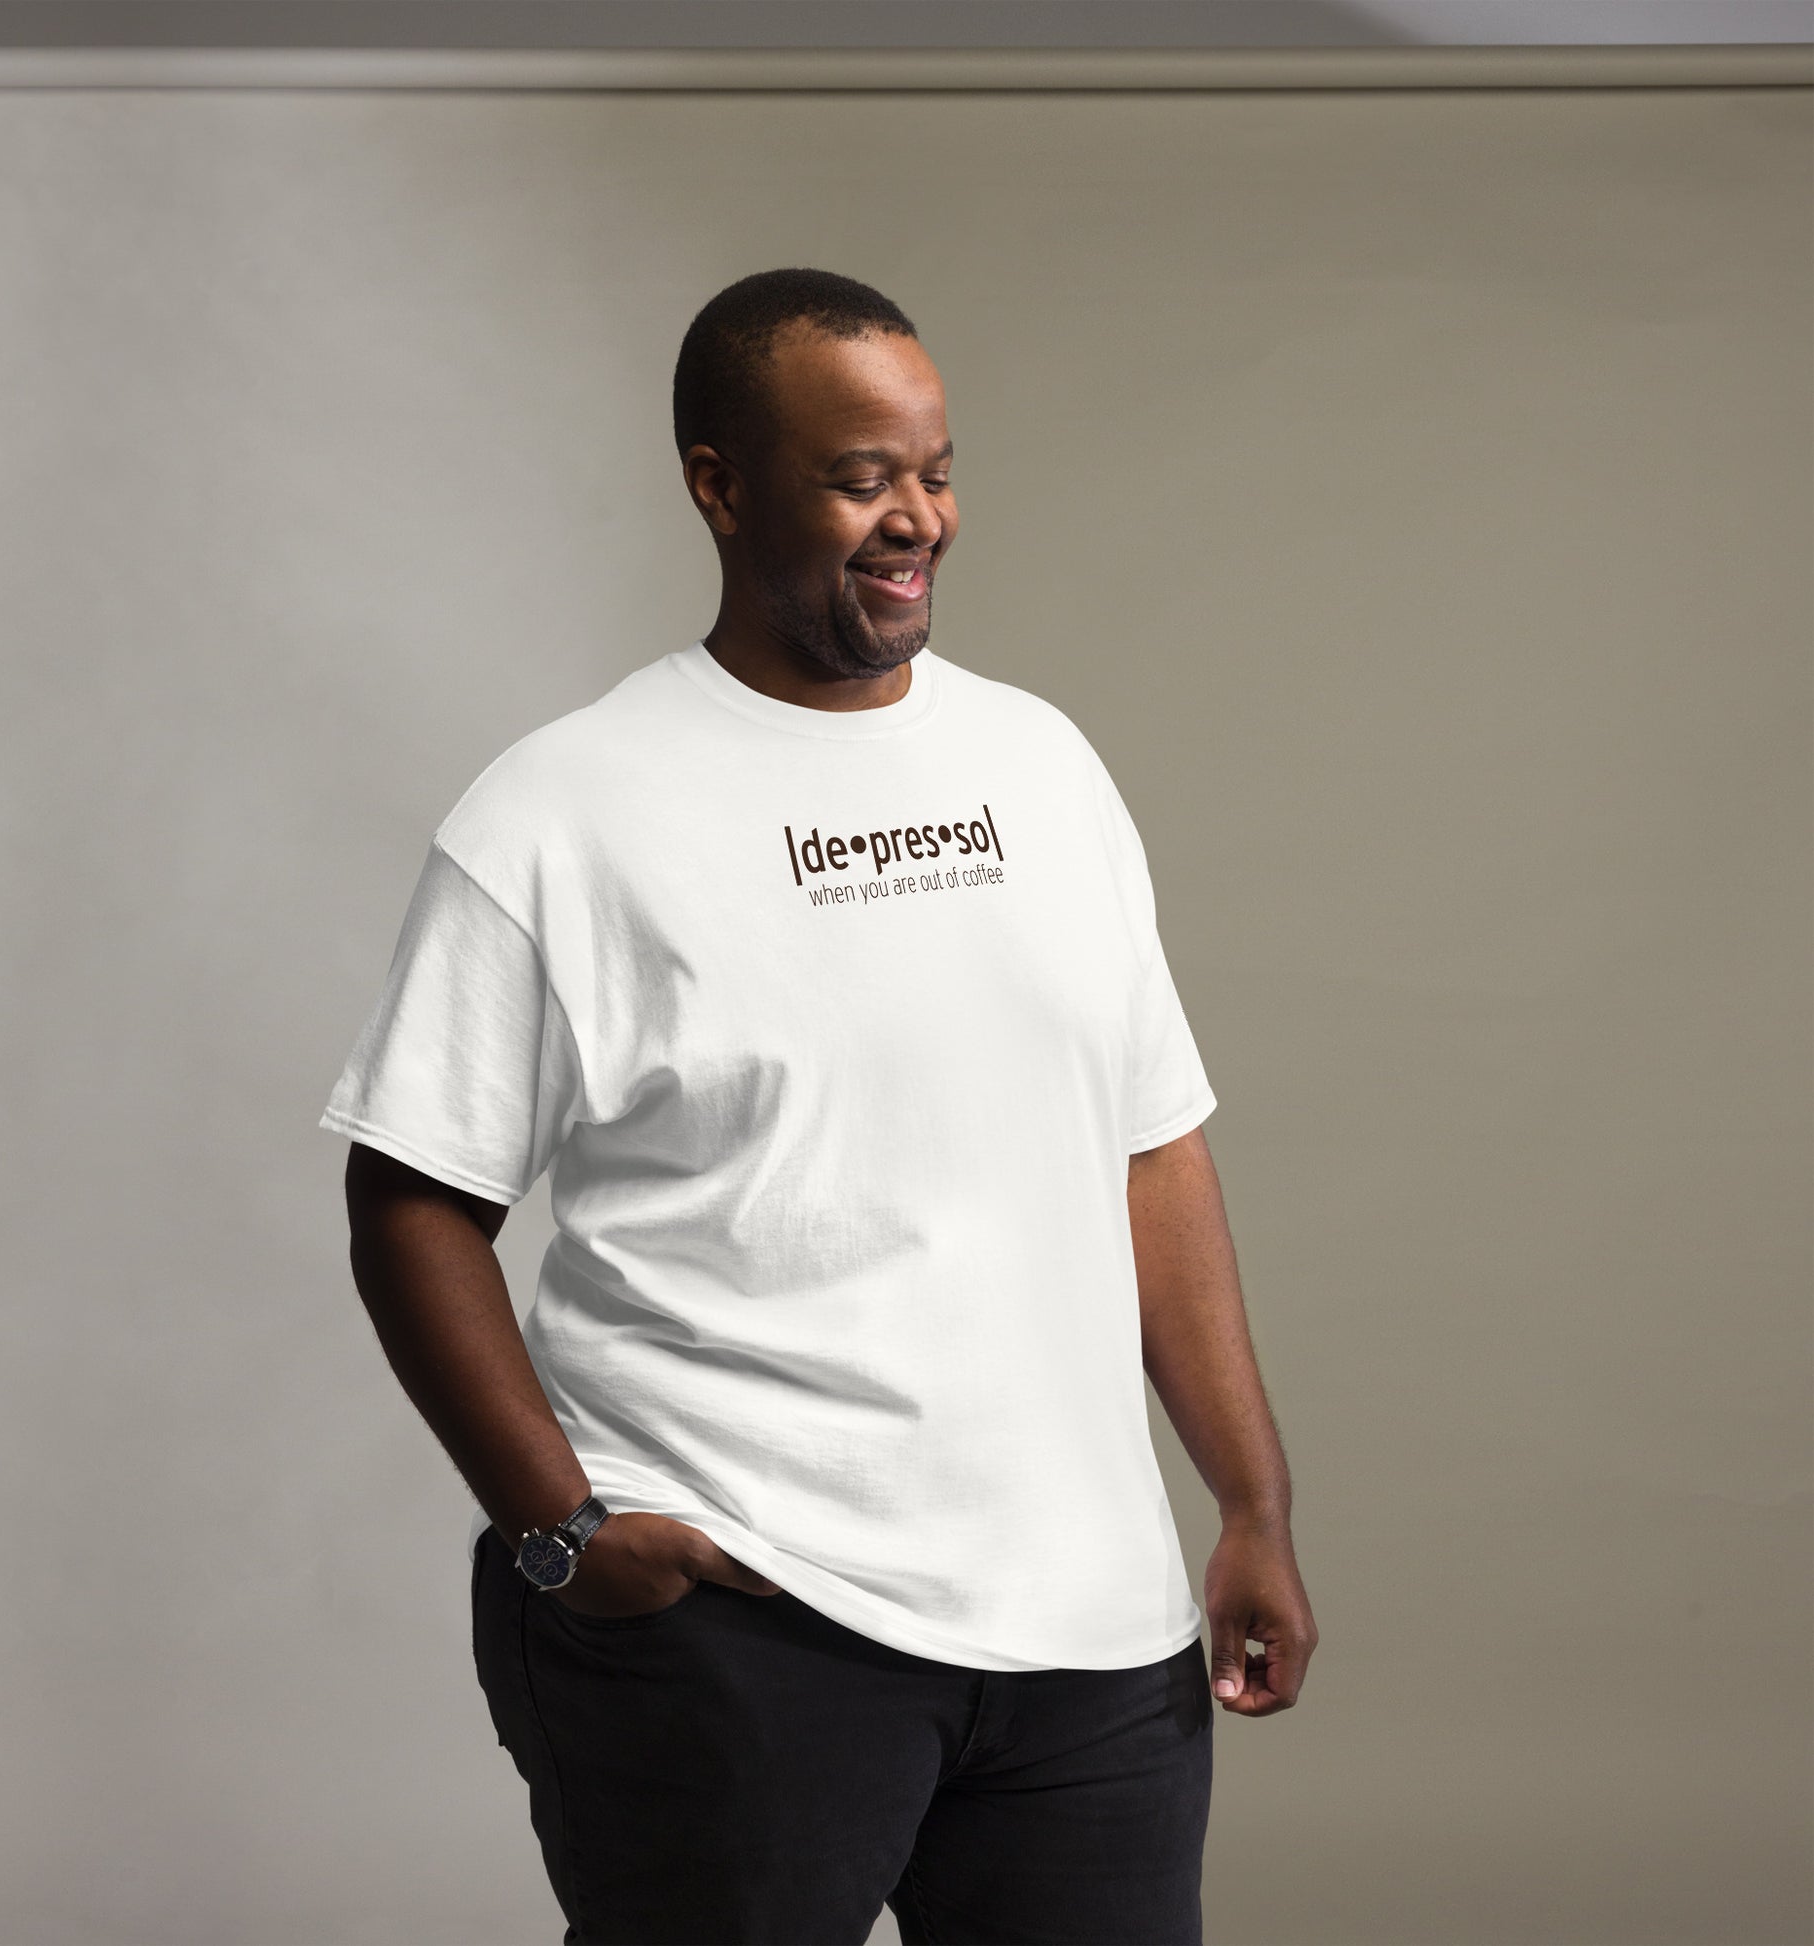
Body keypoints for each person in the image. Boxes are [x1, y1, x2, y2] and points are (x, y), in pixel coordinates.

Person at [320, 266, 1317, 1946]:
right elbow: (412, 1198)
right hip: (745, 1626)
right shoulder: (566, 811)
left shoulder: (1043, 769)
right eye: (861, 476)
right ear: (719, 482)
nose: (913, 516)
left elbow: (1149, 1146)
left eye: (933, 469)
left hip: (1088, 1642)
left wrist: (1250, 1504)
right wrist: (562, 1533)